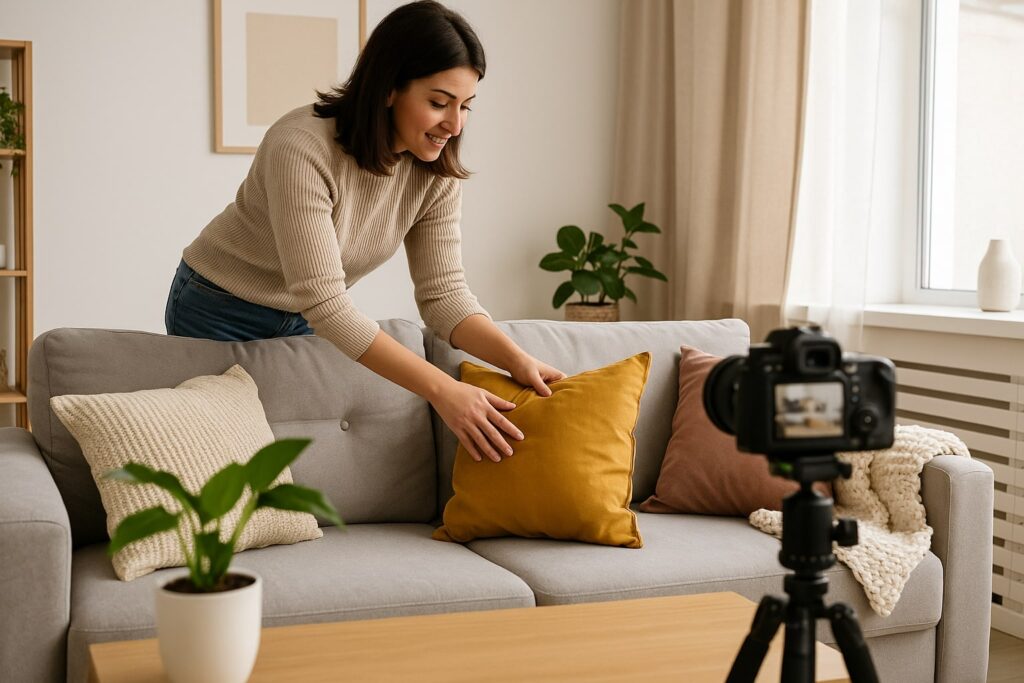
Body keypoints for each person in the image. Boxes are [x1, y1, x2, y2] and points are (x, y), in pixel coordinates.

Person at [165, 0, 565, 464]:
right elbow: (328, 304)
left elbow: (445, 297)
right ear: (390, 88)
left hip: (304, 315)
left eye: (465, 106)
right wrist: (445, 391)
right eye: (438, 103)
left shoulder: (434, 172)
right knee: (217, 459)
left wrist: (517, 360)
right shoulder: (301, 146)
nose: (454, 126)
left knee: (280, 460)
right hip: (218, 307)